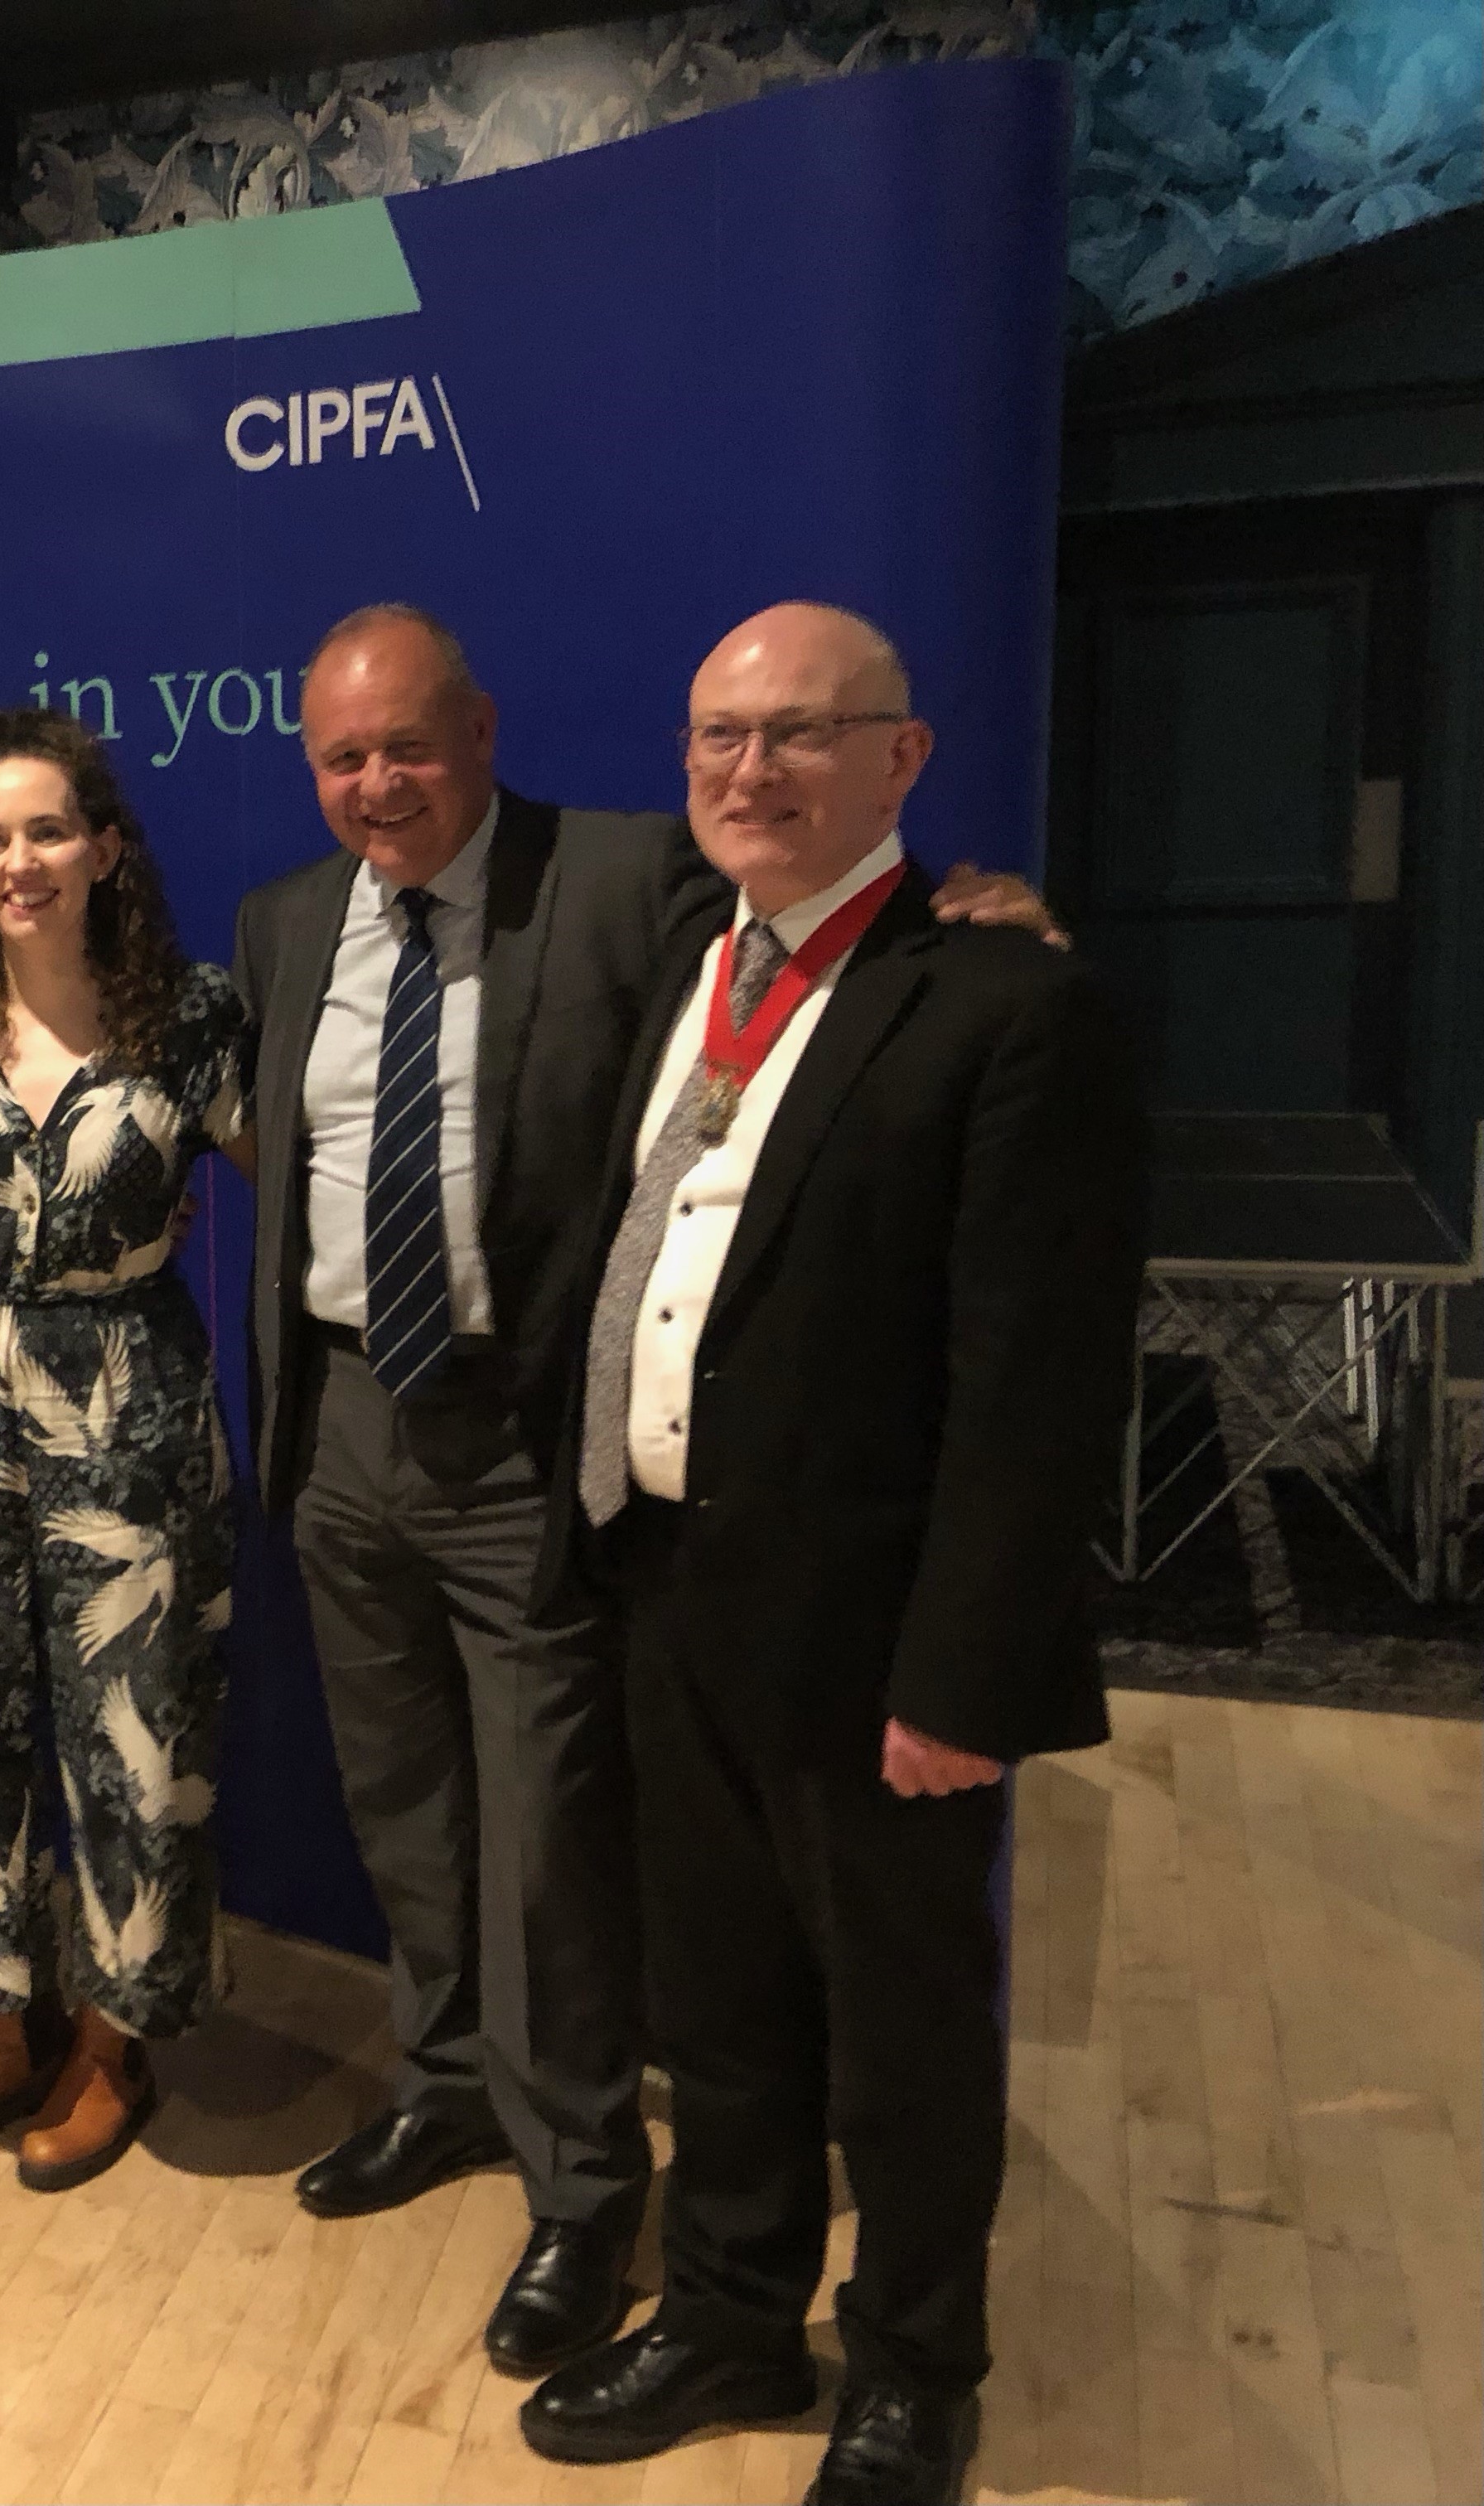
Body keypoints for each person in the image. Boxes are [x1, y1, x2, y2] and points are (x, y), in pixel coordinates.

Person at [232, 605, 1058, 2375]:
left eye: (407, 747)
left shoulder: (630, 878)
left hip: (530, 1439)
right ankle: (449, 2088)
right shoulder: (286, 921)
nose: (377, 785)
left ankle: (583, 2189)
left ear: (482, 731)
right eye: (341, 759)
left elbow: (847, 959)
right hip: (351, 1430)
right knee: (410, 1817)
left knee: (553, 1858)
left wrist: (976, 902)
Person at [519, 604, 1143, 2506]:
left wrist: (964, 1677)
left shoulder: (1004, 1007)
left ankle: (914, 2371)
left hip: (878, 1641)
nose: (750, 771)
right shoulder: (692, 968)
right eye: (720, 737)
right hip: (670, 1593)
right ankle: (725, 2313)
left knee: (903, 2030)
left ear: (904, 759)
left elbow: (1034, 1389)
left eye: (802, 735)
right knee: (714, 2006)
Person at [0, 709, 251, 2193]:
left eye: (46, 830)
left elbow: (287, 1161)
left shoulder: (193, 1013)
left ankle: (111, 2033)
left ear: (102, 847)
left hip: (131, 1406)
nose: (19, 860)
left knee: (131, 1724)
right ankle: (1, 2017)